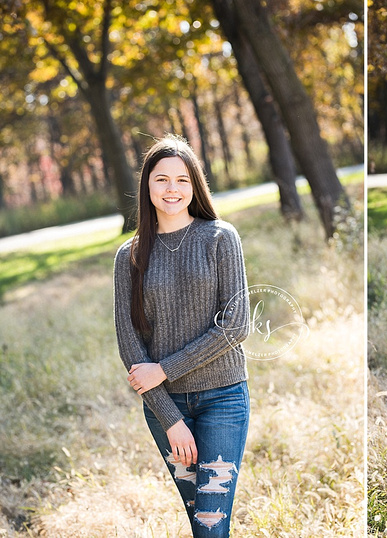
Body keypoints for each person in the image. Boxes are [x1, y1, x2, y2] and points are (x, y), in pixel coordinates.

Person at [113, 135, 251, 537]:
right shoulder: (130, 255)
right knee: (202, 525)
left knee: (211, 525)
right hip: (165, 408)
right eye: (161, 180)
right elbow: (130, 345)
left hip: (223, 399)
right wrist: (170, 418)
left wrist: (166, 368)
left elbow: (237, 324)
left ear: (195, 186)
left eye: (182, 180)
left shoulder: (220, 237)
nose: (172, 189)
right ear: (147, 187)